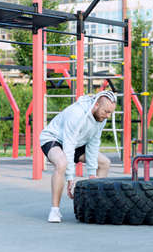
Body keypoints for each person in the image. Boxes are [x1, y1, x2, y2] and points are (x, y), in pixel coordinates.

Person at [40, 90, 117, 223]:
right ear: (96, 105)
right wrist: (70, 179)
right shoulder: (76, 113)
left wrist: (92, 174)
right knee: (62, 163)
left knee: (104, 163)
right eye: (106, 111)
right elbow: (68, 146)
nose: (108, 116)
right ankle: (55, 210)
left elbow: (93, 144)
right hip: (54, 139)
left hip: (77, 142)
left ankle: (94, 207)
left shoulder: (101, 118)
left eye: (111, 112)